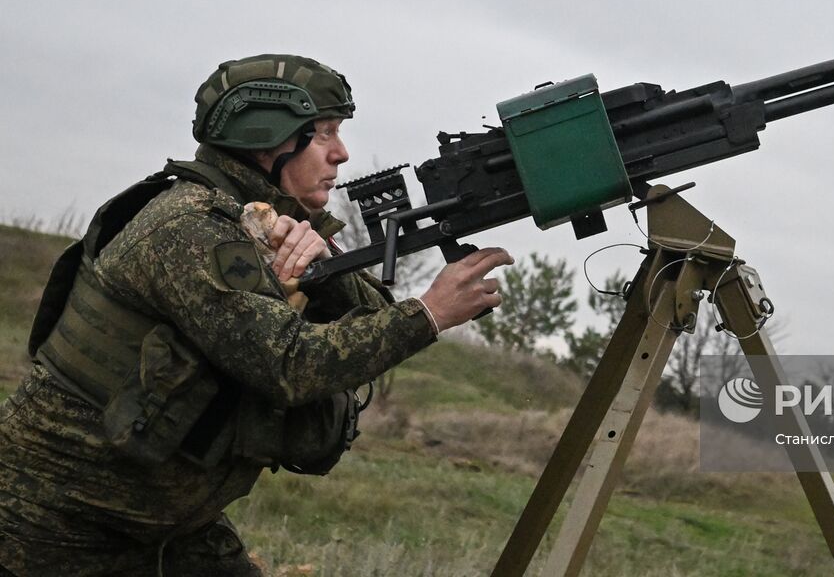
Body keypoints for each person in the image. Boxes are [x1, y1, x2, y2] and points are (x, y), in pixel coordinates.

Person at [0, 54, 510, 576]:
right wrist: (429, 313)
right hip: (58, 522)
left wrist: (324, 266)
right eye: (325, 133)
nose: (341, 153)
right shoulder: (190, 226)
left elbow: (373, 317)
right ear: (270, 139)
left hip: (167, 521)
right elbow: (289, 365)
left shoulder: (250, 220)